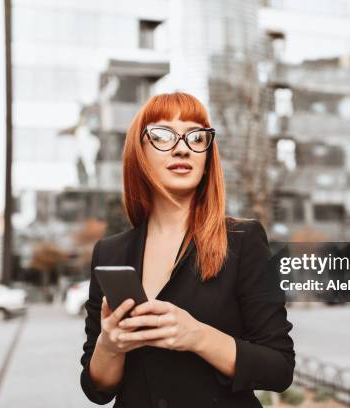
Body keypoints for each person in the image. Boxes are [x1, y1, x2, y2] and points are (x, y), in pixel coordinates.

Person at [80, 92, 295, 407]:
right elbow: (97, 388)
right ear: (138, 152)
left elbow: (279, 368)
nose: (182, 147)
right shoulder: (109, 253)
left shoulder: (242, 239)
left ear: (207, 155)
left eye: (196, 137)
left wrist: (197, 337)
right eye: (163, 136)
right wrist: (110, 345)